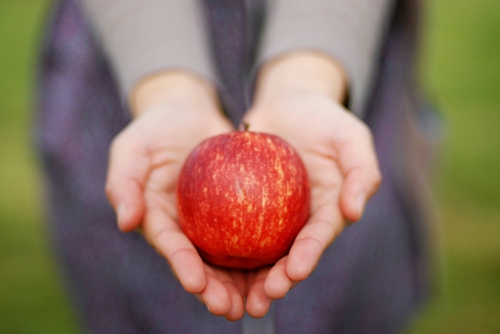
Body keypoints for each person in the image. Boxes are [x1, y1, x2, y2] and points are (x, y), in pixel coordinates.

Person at [35, 0, 435, 332]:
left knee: (350, 290)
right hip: (133, 46)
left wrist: (307, 76)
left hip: (338, 36)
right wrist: (167, 88)